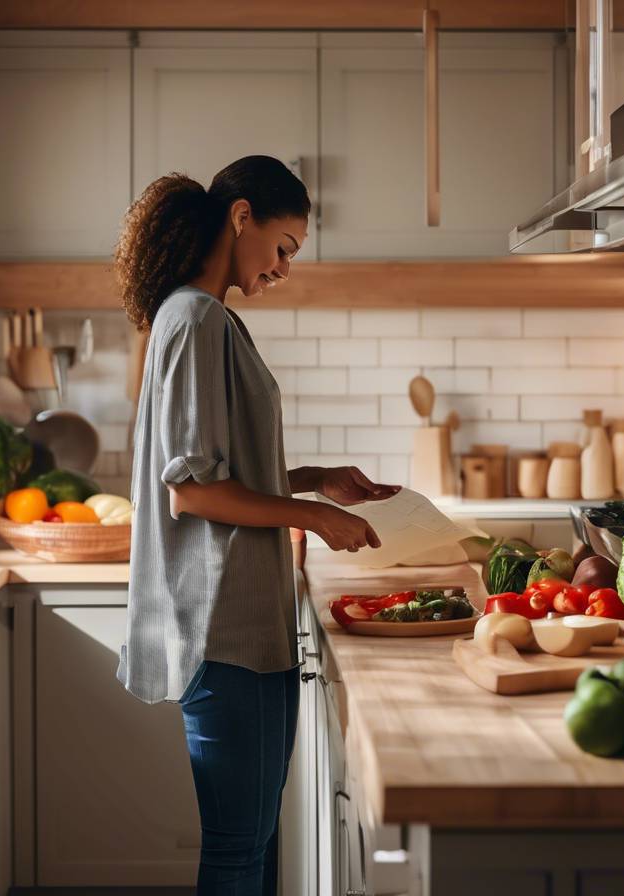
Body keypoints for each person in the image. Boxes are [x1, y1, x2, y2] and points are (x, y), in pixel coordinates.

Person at [114, 154, 400, 896]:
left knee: (254, 845)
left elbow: (217, 467)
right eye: (283, 248)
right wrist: (313, 515)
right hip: (221, 631)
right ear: (241, 216)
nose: (282, 269)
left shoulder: (208, 318)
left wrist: (314, 480)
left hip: (244, 629)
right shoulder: (194, 318)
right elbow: (194, 494)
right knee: (239, 851)